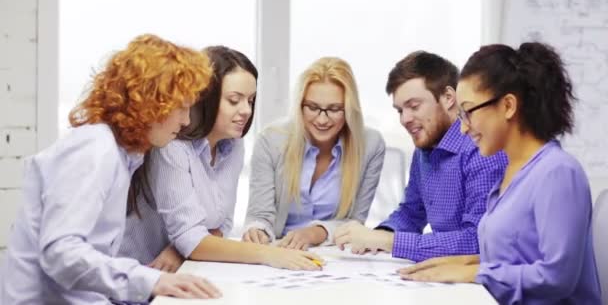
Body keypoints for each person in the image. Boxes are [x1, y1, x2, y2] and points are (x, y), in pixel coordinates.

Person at [0, 34, 222, 304]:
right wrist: (153, 281)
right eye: (182, 108)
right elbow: (61, 253)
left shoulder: (119, 154)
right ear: (153, 103)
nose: (187, 121)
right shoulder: (95, 148)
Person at [399, 42, 602, 304]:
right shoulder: (510, 172)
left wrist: (477, 272)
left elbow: (556, 278)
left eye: (468, 113)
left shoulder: (558, 173)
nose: (463, 129)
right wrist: (462, 263)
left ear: (507, 106)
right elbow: (515, 258)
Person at [119, 46, 323, 271]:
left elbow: (221, 224)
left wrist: (188, 245)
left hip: (183, 272)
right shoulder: (172, 146)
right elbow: (190, 239)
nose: (246, 110)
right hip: (137, 278)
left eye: (251, 100)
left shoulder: (234, 144)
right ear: (205, 99)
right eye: (234, 100)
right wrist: (270, 254)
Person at [335, 51, 507, 262]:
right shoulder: (424, 149)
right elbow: (411, 213)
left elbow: (477, 241)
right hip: (443, 274)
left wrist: (387, 242)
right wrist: (376, 237)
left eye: (414, 106)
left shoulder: (481, 149)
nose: (405, 119)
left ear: (448, 98)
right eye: (400, 110)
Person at [242, 57, 386, 249]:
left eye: (334, 109)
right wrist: (257, 231)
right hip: (280, 249)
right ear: (299, 105)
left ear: (350, 109)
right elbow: (259, 215)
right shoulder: (270, 141)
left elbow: (355, 222)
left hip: (334, 253)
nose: (322, 119)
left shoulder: (370, 146)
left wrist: (314, 233)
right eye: (312, 107)